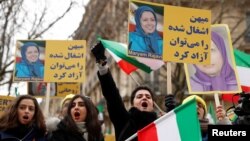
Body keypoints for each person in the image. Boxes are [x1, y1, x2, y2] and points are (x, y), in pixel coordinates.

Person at [91, 42, 158, 141]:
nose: (144, 98)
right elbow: (112, 95)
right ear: (132, 103)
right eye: (139, 97)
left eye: (148, 97)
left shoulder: (161, 124)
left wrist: (172, 112)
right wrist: (102, 64)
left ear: (153, 104)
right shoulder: (124, 121)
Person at [165, 94, 231, 141]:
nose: (196, 107)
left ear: (204, 112)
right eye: (192, 105)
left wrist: (224, 122)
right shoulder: (179, 131)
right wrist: (170, 117)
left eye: (200, 105)